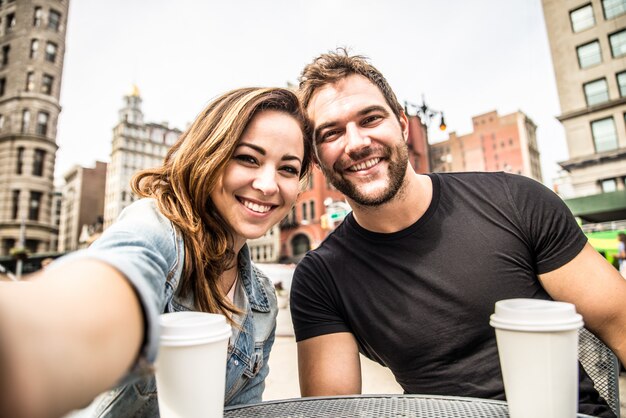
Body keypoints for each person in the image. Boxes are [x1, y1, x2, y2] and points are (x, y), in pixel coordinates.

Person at [289, 49, 626, 418]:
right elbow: (332, 412)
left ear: (402, 125)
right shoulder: (321, 278)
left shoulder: (514, 200)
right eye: (332, 132)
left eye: (370, 119)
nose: (355, 143)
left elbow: (620, 323)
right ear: (318, 158)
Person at [0, 87, 312, 418]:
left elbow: (240, 412)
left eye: (288, 169)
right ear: (209, 155)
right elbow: (115, 280)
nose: (268, 184)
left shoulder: (262, 301)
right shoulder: (157, 228)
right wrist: (33, 338)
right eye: (248, 158)